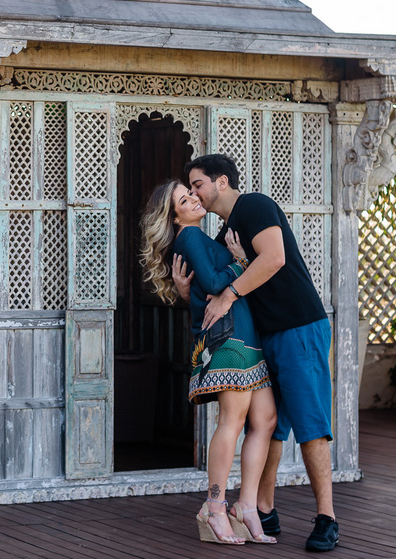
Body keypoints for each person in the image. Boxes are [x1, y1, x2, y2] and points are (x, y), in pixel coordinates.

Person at [173, 154, 340, 552]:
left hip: (298, 326)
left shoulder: (255, 206)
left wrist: (231, 292)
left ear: (222, 182)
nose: (195, 192)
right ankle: (262, 508)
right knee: (267, 424)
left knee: (310, 423)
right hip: (264, 337)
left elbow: (273, 258)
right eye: (188, 189)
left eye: (197, 184)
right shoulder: (222, 235)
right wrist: (186, 291)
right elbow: (212, 286)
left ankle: (327, 517)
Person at [140, 180, 278, 545]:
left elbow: (203, 286)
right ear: (175, 217)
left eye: (191, 192)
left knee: (265, 419)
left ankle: (246, 507)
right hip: (228, 340)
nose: (193, 199)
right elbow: (216, 283)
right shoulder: (188, 237)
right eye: (184, 200)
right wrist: (242, 262)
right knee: (232, 420)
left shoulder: (203, 237)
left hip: (247, 337)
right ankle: (214, 507)